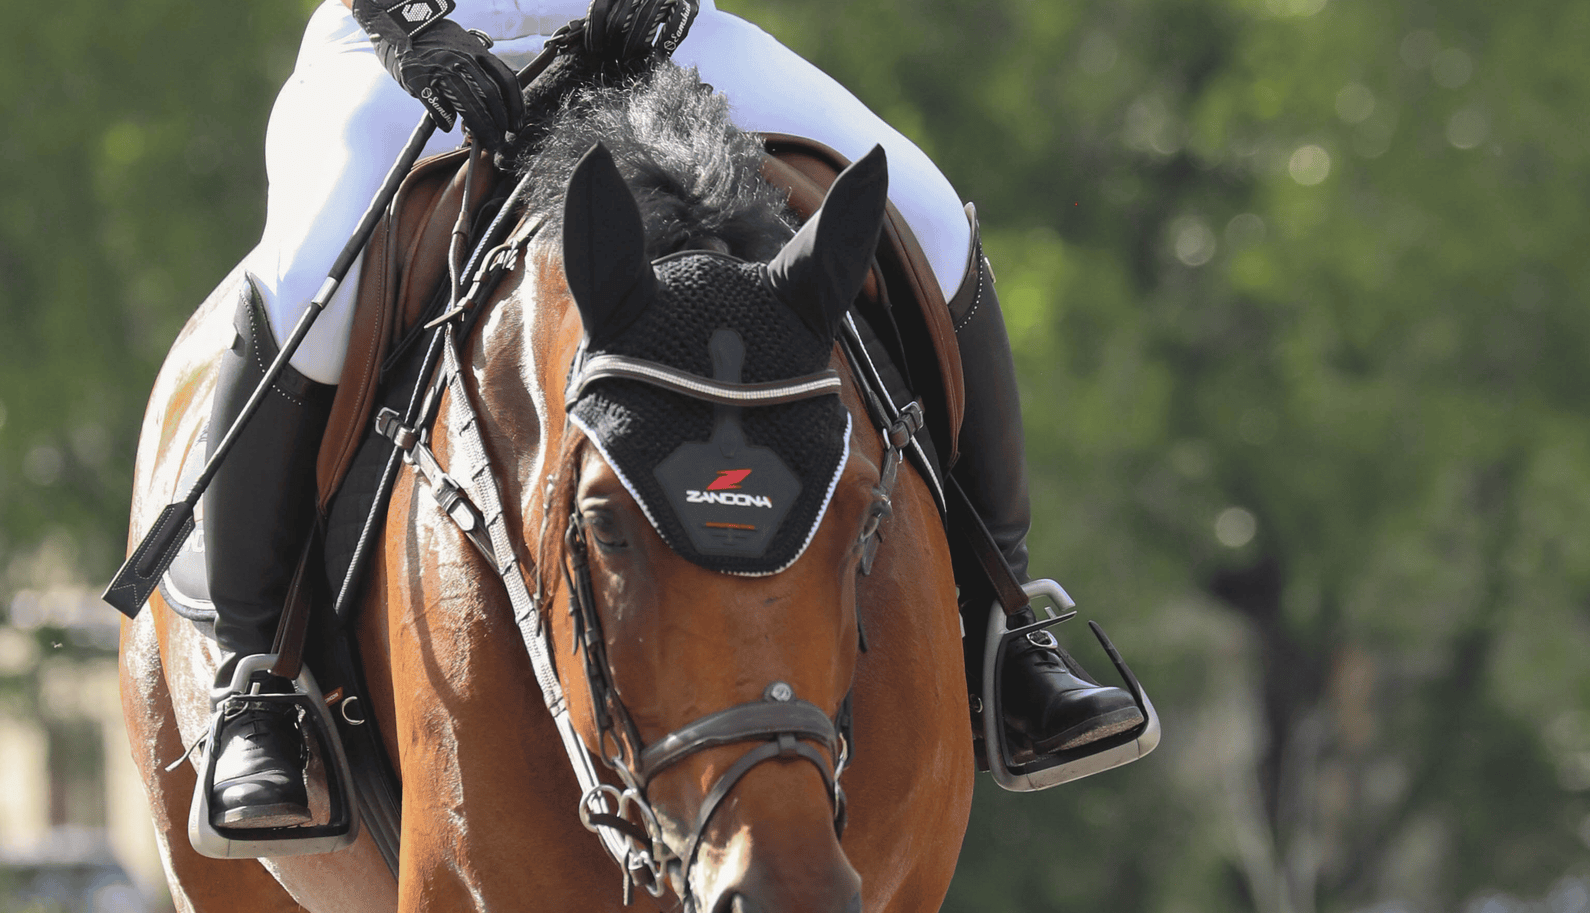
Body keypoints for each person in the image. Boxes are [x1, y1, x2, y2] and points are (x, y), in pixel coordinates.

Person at [201, 0, 1143, 830]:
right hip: (412, 51)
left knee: (929, 219)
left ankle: (1008, 632)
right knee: (303, 291)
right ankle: (258, 685)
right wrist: (404, 22)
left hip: (649, 34)